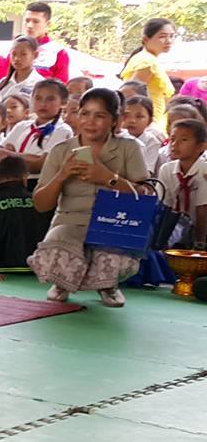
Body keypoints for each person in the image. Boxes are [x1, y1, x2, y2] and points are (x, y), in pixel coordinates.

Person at [29, 88, 152, 305]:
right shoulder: (61, 150)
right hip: (70, 221)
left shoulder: (129, 148)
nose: (90, 122)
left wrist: (108, 178)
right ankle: (62, 282)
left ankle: (108, 285)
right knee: (58, 242)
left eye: (100, 115)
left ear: (114, 120)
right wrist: (61, 176)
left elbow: (144, 195)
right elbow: (40, 205)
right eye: (85, 113)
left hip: (113, 222)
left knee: (114, 250)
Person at [0, 77, 72, 180]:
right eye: (38, 98)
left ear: (64, 103)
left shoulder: (62, 131)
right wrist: (30, 158)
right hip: (11, 183)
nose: (43, 104)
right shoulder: (21, 126)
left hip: (37, 183)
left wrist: (10, 155)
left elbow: (41, 165)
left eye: (50, 99)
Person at [157, 118, 206, 248]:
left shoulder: (204, 171)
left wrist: (200, 244)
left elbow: (202, 211)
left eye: (184, 140)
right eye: (172, 139)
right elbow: (164, 205)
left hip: (202, 230)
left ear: (201, 146)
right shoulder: (166, 169)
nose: (175, 144)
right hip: (175, 227)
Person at [119, 17, 176, 124]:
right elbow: (131, 94)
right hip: (146, 123)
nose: (169, 41)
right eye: (162, 36)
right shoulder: (147, 62)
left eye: (172, 36)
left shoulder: (148, 59)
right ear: (145, 39)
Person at [19, 1, 72, 84]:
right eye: (27, 20)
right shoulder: (16, 47)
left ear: (48, 24)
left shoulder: (57, 52)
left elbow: (61, 87)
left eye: (36, 21)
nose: (29, 25)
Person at [120, 96, 162, 172]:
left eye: (139, 116)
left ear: (149, 121)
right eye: (127, 116)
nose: (132, 120)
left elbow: (147, 172)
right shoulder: (115, 137)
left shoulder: (151, 142)